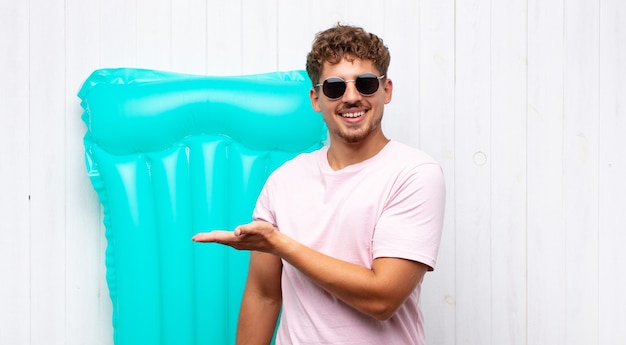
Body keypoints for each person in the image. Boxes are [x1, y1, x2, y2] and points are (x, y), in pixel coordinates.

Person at [193, 24, 446, 345]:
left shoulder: (414, 173)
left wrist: (282, 245)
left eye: (366, 84)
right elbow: (264, 295)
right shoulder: (284, 180)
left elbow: (383, 299)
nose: (352, 97)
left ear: (387, 90)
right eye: (335, 87)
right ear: (316, 98)